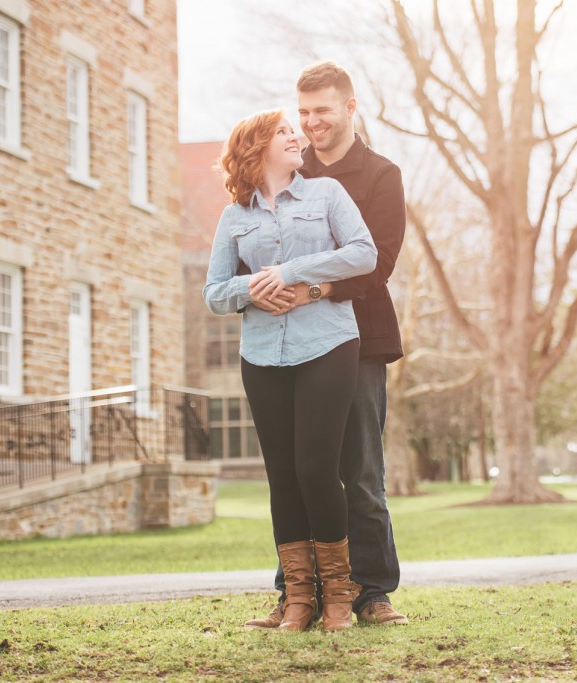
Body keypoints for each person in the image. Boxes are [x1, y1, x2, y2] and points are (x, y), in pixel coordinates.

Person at [243, 62, 409, 628]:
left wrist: (313, 286)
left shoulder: (382, 175)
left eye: (323, 110)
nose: (311, 123)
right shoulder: (285, 169)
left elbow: (378, 262)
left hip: (359, 342)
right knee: (295, 468)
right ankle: (297, 593)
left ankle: (372, 592)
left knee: (358, 468)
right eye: (304, 112)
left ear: (350, 107)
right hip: (290, 342)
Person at [203, 109, 377, 631]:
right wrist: (251, 288)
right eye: (283, 132)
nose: (296, 136)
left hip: (327, 343)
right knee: (281, 476)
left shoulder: (326, 195)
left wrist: (291, 271)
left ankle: (339, 598)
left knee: (316, 468)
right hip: (261, 355)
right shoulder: (235, 216)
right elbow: (214, 293)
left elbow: (364, 254)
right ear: (255, 150)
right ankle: (298, 599)